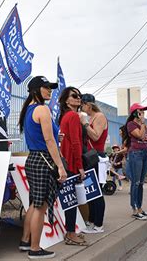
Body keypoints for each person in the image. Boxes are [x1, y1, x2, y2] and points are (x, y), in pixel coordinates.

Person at [18, 76, 67, 259]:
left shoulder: (30, 110)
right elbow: (48, 141)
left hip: (33, 159)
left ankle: (25, 241)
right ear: (36, 90)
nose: (49, 90)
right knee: (40, 206)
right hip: (44, 160)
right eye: (46, 87)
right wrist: (60, 166)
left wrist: (56, 138)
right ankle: (35, 248)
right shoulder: (42, 109)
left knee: (34, 203)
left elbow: (43, 136)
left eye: (50, 88)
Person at [58, 87, 87, 245]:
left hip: (65, 161)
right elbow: (76, 143)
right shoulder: (73, 116)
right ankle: (70, 233)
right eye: (74, 96)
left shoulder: (64, 116)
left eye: (79, 96)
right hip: (71, 163)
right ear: (67, 100)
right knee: (71, 199)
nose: (78, 98)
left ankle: (70, 231)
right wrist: (80, 166)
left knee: (70, 198)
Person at [79, 93, 107, 233]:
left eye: (82, 104)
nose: (81, 107)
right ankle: (91, 220)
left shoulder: (99, 117)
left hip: (96, 157)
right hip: (89, 157)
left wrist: (84, 123)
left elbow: (96, 136)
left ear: (88, 105)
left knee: (97, 191)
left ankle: (99, 224)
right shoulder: (92, 118)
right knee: (90, 190)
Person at [125, 103, 147, 220]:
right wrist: (142, 125)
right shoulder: (131, 124)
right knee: (135, 182)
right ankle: (134, 208)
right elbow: (141, 136)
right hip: (136, 154)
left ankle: (140, 208)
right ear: (135, 112)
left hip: (145, 152)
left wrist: (143, 125)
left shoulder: (142, 124)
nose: (143, 113)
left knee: (141, 182)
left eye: (143, 111)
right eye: (140, 111)